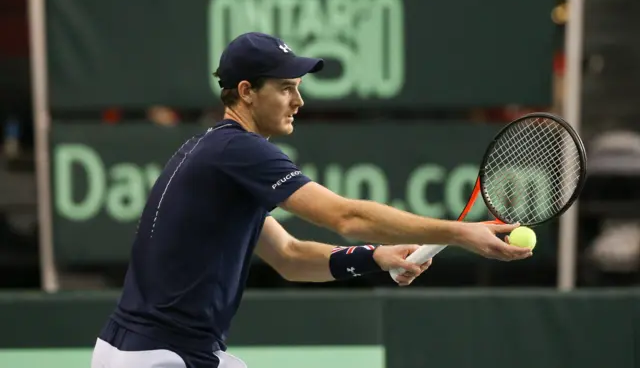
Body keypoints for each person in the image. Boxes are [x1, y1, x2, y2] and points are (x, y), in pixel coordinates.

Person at [90, 32, 532, 368]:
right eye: (286, 88)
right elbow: (345, 215)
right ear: (246, 92)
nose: (298, 101)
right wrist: (459, 232)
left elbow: (290, 255)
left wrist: (376, 258)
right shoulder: (238, 150)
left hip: (136, 349)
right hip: (160, 354)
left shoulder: (214, 153)